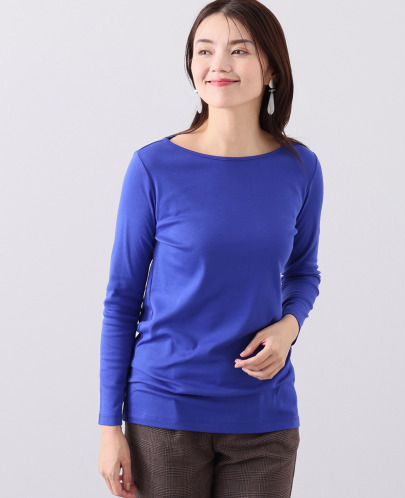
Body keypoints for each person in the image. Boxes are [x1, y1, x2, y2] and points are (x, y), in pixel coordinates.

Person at [97, 0, 324, 496]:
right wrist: (109, 428)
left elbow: (303, 272)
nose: (218, 63)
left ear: (272, 69)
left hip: (264, 416)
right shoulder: (153, 167)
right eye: (205, 50)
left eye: (239, 50)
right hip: (165, 414)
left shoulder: (300, 168)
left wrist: (289, 327)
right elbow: (122, 300)